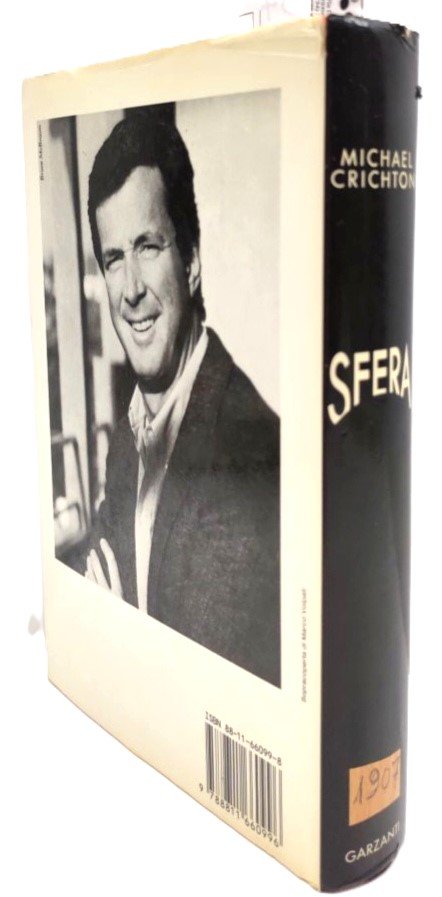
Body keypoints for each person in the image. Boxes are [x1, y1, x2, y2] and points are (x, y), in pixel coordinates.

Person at [84, 112, 280, 686]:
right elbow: (94, 569)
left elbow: (196, 684)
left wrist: (116, 631)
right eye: (113, 258)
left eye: (147, 246)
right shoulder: (131, 431)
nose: (131, 290)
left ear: (191, 262)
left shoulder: (248, 448)